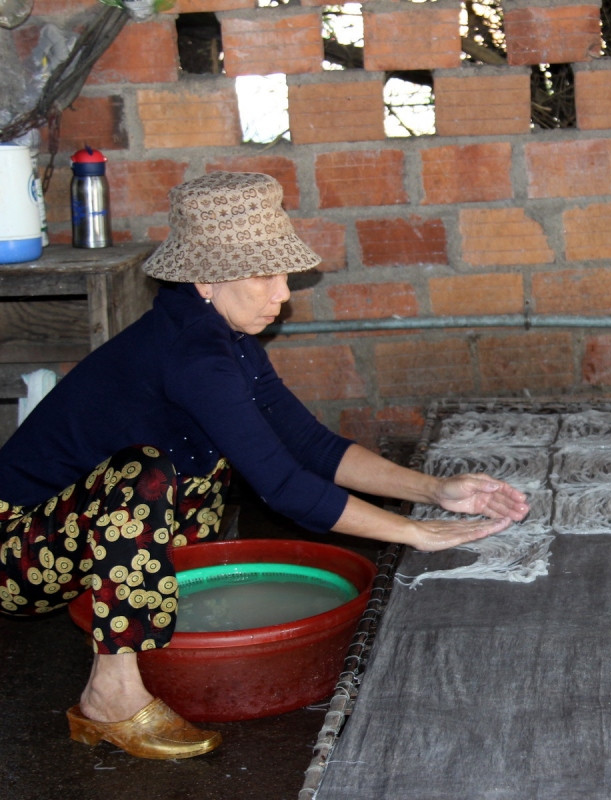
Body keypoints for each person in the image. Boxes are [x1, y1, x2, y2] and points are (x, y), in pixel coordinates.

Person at [0, 172, 529, 759]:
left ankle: (164, 634)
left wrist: (433, 489)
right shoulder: (192, 353)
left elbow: (312, 447)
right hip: (18, 553)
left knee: (199, 470)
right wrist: (411, 532)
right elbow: (282, 486)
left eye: (283, 275)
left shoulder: (223, 338)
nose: (283, 294)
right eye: (265, 275)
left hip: (86, 544)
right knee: (146, 475)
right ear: (206, 278)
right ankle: (111, 693)